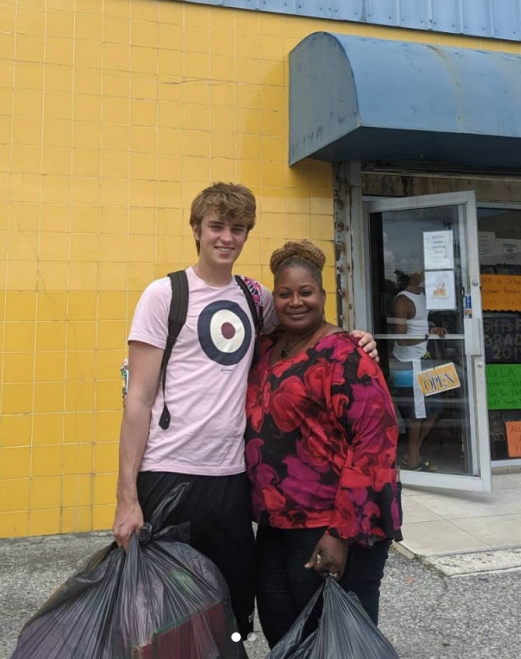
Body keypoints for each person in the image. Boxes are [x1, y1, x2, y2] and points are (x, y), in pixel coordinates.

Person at [112, 183, 377, 639]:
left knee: (232, 609)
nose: (226, 238)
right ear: (196, 230)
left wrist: (352, 338)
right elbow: (136, 399)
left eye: (237, 228)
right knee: (167, 610)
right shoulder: (164, 295)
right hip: (168, 472)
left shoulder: (254, 297)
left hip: (233, 482)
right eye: (216, 226)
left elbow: (304, 322)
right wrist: (126, 498)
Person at [245, 240, 402, 648]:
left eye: (305, 292)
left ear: (322, 296)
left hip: (328, 527)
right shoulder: (267, 348)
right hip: (275, 526)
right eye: (284, 293)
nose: (295, 302)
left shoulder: (346, 355)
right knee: (285, 636)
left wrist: (341, 533)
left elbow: (375, 444)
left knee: (336, 642)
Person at [390, 271, 447, 471]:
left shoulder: (426, 296)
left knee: (435, 409)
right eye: (421, 273)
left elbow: (423, 326)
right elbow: (401, 339)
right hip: (406, 364)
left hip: (424, 361)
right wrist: (427, 335)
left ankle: (412, 453)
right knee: (417, 414)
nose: (425, 276)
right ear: (413, 276)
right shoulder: (403, 300)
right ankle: (413, 460)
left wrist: (434, 329)